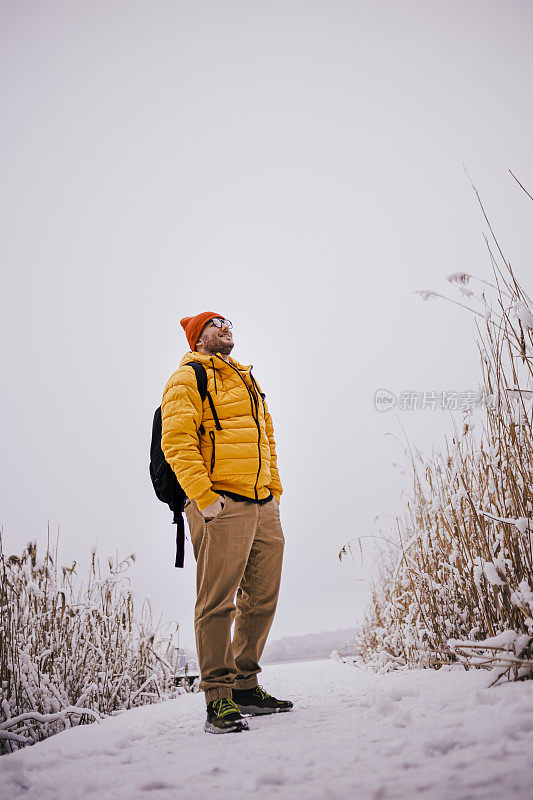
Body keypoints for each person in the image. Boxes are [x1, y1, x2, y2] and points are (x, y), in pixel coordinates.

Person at [161, 311, 293, 734]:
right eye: (214, 323)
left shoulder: (247, 378)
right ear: (199, 338)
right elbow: (177, 442)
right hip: (219, 503)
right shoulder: (187, 378)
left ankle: (245, 685)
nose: (225, 326)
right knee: (217, 602)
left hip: (261, 503)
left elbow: (265, 436)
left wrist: (273, 491)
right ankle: (217, 699)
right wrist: (205, 498)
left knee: (261, 598)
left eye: (227, 321)